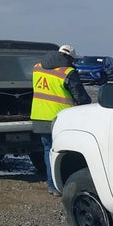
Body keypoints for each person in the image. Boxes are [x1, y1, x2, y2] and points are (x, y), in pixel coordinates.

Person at [30, 44, 91, 196]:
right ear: (70, 58)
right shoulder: (67, 72)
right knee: (64, 152)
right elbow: (82, 98)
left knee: (48, 151)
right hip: (59, 119)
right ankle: (64, 183)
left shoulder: (37, 67)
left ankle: (52, 185)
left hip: (39, 116)